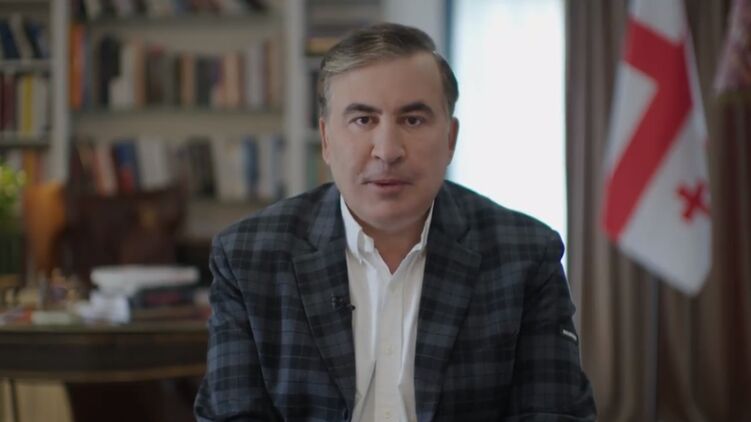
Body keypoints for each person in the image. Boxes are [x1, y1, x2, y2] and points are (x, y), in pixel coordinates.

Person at [195, 22, 596, 422]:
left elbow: (554, 414)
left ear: (450, 139)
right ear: (327, 139)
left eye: (413, 120)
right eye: (363, 120)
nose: (387, 151)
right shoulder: (248, 258)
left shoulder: (526, 257)